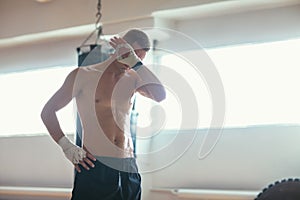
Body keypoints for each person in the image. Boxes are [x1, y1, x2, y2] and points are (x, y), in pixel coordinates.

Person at [41, 29, 166, 200]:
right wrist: (66, 146)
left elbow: (160, 95)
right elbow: (48, 112)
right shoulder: (83, 75)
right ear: (119, 46)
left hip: (128, 167)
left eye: (137, 59)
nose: (130, 62)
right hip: (96, 166)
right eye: (129, 55)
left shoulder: (133, 78)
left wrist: (136, 63)